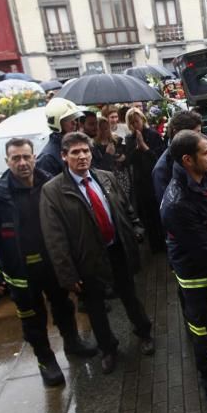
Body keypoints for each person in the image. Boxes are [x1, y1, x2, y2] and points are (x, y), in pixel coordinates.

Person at [0, 137, 97, 387]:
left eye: (26, 157)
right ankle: (46, 360)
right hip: (21, 274)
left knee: (63, 307)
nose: (22, 163)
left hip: (52, 266)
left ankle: (72, 342)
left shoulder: (50, 184)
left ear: (34, 157)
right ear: (7, 161)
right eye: (16, 158)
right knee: (32, 319)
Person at [39, 132, 155, 374]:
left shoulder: (106, 177)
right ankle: (108, 349)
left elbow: (126, 207)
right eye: (75, 153)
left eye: (86, 151)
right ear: (64, 156)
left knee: (130, 297)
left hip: (117, 251)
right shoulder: (53, 191)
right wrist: (67, 275)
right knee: (96, 308)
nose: (82, 157)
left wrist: (137, 228)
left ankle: (144, 333)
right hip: (86, 261)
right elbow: (55, 238)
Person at [160, 130, 207, 413]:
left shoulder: (206, 176)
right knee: (203, 331)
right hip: (198, 277)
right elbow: (206, 250)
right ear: (188, 160)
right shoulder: (177, 203)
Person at [125, 107, 166, 253]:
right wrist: (136, 148)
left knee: (158, 211)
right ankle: (154, 244)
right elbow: (128, 161)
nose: (136, 125)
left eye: (137, 121)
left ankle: (164, 242)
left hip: (153, 178)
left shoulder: (153, 134)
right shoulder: (129, 139)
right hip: (140, 182)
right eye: (132, 122)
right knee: (147, 214)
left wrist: (145, 147)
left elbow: (159, 157)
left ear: (143, 120)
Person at [152, 110, 204, 202]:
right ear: (176, 133)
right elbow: (169, 205)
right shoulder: (162, 169)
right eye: (195, 133)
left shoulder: (200, 153)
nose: (200, 138)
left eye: (200, 132)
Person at [38, 97, 84, 178]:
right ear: (57, 123)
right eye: (69, 118)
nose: (74, 122)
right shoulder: (47, 158)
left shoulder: (73, 145)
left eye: (75, 117)